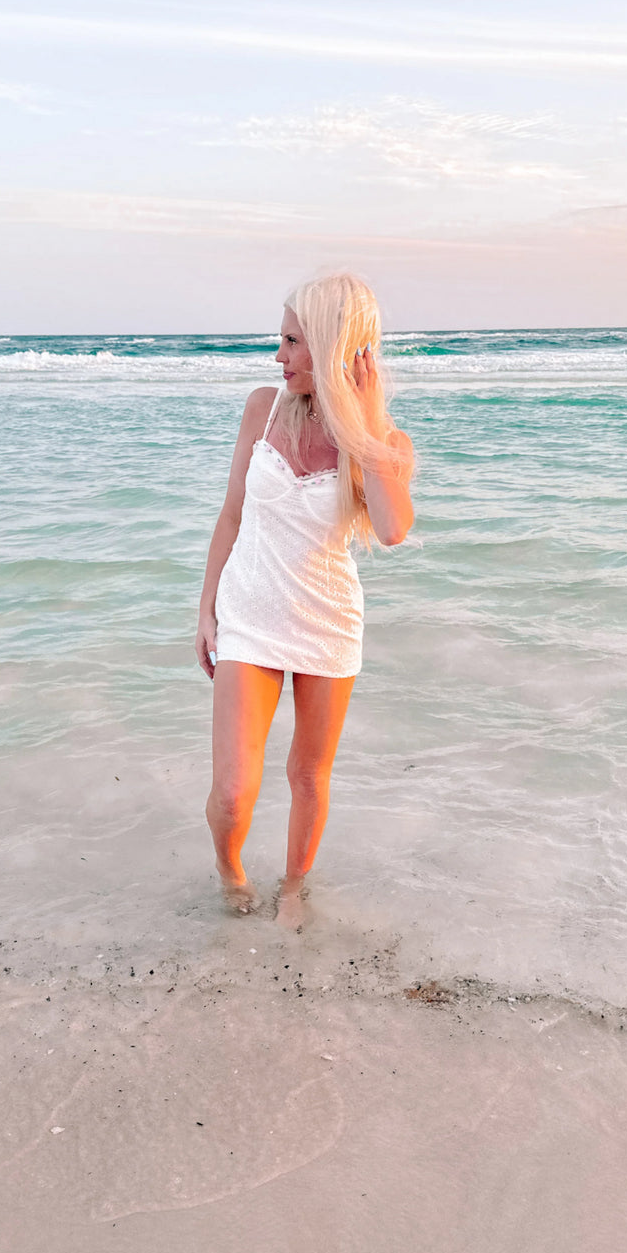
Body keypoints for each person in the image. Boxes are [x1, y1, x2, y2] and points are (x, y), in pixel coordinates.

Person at [195, 272, 414, 929]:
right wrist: (206, 607)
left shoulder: (380, 444)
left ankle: (294, 885)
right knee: (234, 791)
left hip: (326, 621)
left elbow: (392, 528)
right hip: (249, 614)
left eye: (292, 340)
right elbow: (231, 515)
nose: (279, 355)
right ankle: (231, 869)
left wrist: (366, 421)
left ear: (331, 345)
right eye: (281, 339)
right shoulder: (260, 408)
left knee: (307, 776)